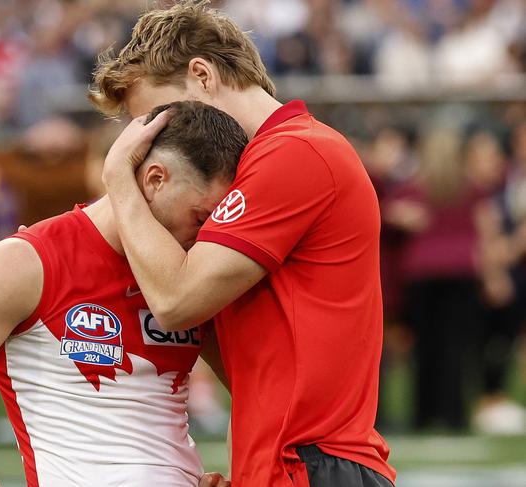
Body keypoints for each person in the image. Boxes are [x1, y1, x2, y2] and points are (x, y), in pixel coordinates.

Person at [91, 2, 395, 486]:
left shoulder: (295, 151)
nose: (148, 142)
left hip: (313, 465)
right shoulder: (264, 163)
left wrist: (119, 180)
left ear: (202, 74)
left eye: (156, 117)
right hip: (290, 463)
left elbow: (176, 301)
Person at [0, 101, 246, 487]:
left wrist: (241, 476)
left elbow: (255, 390)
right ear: (154, 180)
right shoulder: (30, 260)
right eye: (201, 217)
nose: (207, 234)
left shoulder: (190, 274)